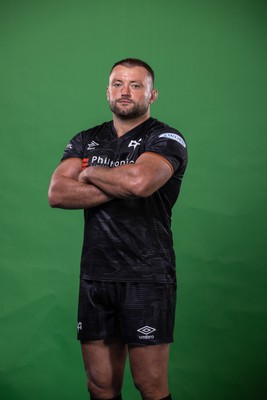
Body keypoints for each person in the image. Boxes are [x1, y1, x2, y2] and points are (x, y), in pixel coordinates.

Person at [48, 58, 188, 400]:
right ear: (107, 91)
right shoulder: (87, 139)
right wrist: (118, 181)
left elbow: (140, 182)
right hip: (96, 277)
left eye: (135, 85)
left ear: (152, 94)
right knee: (99, 385)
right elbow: (57, 193)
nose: (125, 91)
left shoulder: (166, 137)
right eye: (117, 84)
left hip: (147, 276)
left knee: (149, 385)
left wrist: (91, 172)